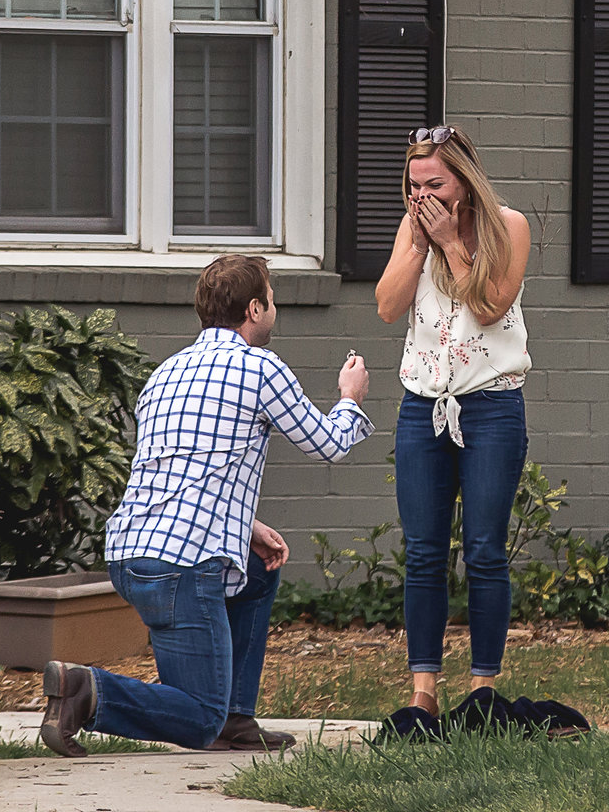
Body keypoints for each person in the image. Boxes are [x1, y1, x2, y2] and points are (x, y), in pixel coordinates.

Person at [40, 253, 372, 756]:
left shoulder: (166, 373)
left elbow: (179, 469)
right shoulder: (260, 367)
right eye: (273, 299)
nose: (275, 309)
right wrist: (350, 398)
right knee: (196, 718)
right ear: (255, 309)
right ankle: (88, 691)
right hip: (183, 566)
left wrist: (247, 524)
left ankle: (234, 719)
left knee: (258, 571)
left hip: (132, 553)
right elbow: (327, 443)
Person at [373, 125, 534, 720]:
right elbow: (388, 307)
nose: (423, 196)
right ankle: (423, 694)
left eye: (435, 183)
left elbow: (490, 306)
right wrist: (418, 245)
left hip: (490, 405)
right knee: (423, 552)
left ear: (465, 181)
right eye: (414, 185)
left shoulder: (508, 226)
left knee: (486, 551)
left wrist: (450, 244)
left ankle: (484, 691)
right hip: (423, 405)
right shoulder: (413, 229)